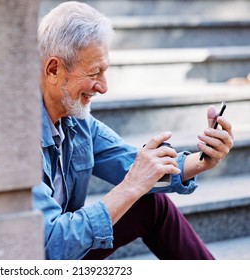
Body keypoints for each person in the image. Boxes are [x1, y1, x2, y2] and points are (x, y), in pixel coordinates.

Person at [32, 1, 234, 260]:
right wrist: (130, 188)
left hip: (66, 246)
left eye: (105, 72)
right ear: (53, 69)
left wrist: (203, 160)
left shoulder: (76, 121)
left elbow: (134, 165)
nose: (103, 87)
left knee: (152, 205)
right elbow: (49, 246)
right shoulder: (20, 140)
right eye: (95, 73)